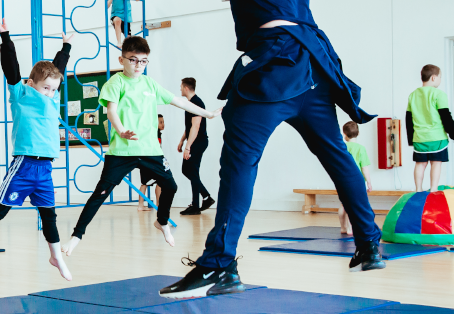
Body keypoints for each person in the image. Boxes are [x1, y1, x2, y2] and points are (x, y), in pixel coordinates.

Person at [159, 0, 386, 299]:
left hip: (274, 63)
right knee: (337, 156)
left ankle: (218, 264)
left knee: (239, 164)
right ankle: (369, 245)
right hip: (314, 63)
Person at [63, 36, 217, 256]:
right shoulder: (115, 83)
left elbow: (180, 101)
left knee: (171, 186)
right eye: (133, 60)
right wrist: (120, 130)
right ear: (122, 59)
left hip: (150, 150)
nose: (138, 66)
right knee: (100, 193)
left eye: (143, 61)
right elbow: (112, 111)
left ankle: (161, 221)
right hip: (122, 151)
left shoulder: (149, 84)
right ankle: (76, 237)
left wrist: (208, 113)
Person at [0, 16, 74, 281]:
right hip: (23, 165)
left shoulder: (52, 94)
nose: (49, 93)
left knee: (50, 216)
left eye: (53, 90)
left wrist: (66, 47)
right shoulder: (21, 94)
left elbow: (57, 69)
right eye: (45, 88)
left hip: (45, 168)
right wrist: (5, 37)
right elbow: (11, 67)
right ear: (32, 84)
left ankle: (55, 256)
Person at [407, 64, 454, 193]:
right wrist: (453, 133)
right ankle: (434, 189)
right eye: (440, 77)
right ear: (434, 77)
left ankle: (418, 188)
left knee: (420, 164)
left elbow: (409, 119)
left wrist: (410, 139)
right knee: (436, 163)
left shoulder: (413, 95)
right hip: (437, 138)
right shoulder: (439, 94)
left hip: (419, 138)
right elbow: (445, 116)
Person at [178, 78, 216, 215]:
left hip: (198, 142)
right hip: (194, 141)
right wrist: (182, 140)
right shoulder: (191, 103)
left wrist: (188, 147)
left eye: (181, 87)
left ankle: (196, 205)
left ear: (186, 88)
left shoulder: (197, 103)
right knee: (187, 170)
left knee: (191, 171)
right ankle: (206, 198)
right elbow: (189, 126)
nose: (180, 89)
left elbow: (196, 126)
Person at [339, 122, 372, 235]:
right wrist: (368, 182)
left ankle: (343, 227)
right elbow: (364, 168)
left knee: (343, 204)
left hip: (343, 179)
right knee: (352, 205)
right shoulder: (361, 149)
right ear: (358, 133)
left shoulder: (342, 147)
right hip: (356, 181)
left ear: (344, 134)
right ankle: (349, 228)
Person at [137, 114, 164, 212]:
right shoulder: (153, 133)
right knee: (150, 183)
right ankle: (154, 205)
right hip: (149, 161)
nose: (162, 124)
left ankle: (155, 204)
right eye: (160, 122)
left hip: (151, 161)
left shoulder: (158, 133)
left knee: (149, 183)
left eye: (163, 122)